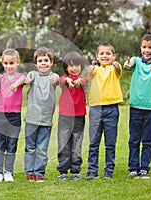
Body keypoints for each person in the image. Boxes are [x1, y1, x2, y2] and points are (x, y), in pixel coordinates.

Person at [123, 34, 151, 179]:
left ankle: (144, 168)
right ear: (141, 48)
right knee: (134, 139)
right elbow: (130, 64)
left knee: (148, 140)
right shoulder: (136, 61)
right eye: (144, 47)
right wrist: (127, 65)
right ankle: (133, 168)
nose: (147, 50)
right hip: (136, 107)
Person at [86, 42, 123, 180]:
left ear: (114, 56)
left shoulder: (114, 69)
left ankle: (109, 170)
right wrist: (89, 69)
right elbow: (89, 73)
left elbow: (119, 70)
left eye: (108, 53)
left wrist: (118, 66)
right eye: (102, 53)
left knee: (110, 143)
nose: (105, 56)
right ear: (97, 56)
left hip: (112, 109)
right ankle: (92, 171)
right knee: (94, 142)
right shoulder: (94, 70)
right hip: (96, 109)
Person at [24, 47, 60, 182]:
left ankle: (39, 172)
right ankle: (29, 173)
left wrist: (54, 80)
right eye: (40, 61)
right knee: (30, 148)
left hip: (46, 120)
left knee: (42, 149)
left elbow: (56, 79)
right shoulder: (33, 74)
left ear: (51, 63)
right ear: (36, 63)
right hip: (31, 119)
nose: (43, 63)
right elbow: (28, 78)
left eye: (46, 60)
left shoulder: (53, 76)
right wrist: (27, 78)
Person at [0, 49, 26, 183]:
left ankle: (8, 171)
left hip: (14, 115)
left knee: (12, 144)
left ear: (18, 62)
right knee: (0, 144)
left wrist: (15, 84)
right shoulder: (0, 77)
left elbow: (24, 79)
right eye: (5, 63)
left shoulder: (20, 77)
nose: (8, 66)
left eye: (11, 63)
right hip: (0, 115)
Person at [56, 51, 88, 182]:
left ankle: (75, 170)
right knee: (63, 143)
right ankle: (63, 171)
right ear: (66, 68)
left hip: (79, 116)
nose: (74, 68)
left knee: (76, 144)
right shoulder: (63, 79)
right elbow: (63, 80)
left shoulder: (83, 80)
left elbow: (83, 81)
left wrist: (78, 81)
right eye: (71, 66)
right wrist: (68, 80)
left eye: (77, 65)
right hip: (65, 117)